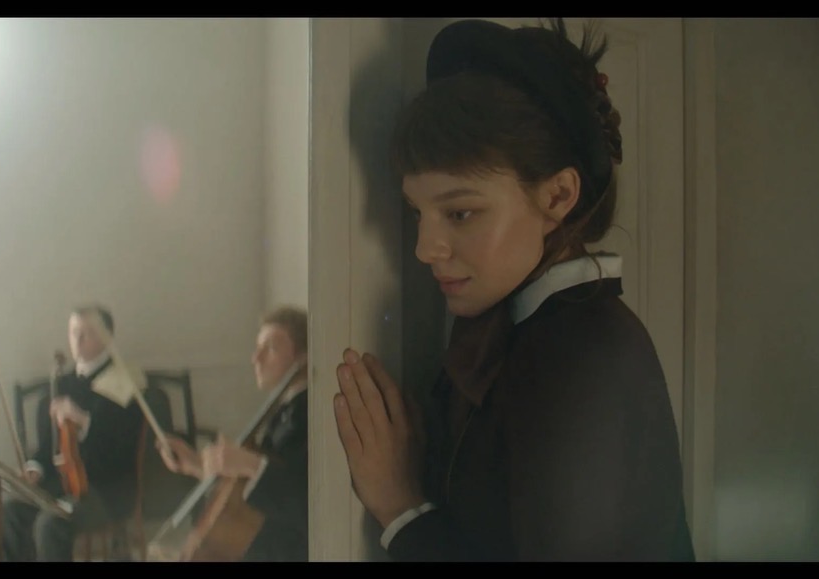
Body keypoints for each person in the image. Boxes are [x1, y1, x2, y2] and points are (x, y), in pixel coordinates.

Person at [332, 18, 696, 562]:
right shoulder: (533, 334)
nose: (425, 248)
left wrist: (400, 507)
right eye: (417, 213)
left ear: (558, 196)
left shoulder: (584, 354)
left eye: (460, 212)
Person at [157, 305, 309, 561]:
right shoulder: (286, 409)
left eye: (271, 348)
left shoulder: (307, 412)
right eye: (257, 347)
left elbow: (304, 499)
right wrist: (197, 465)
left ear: (302, 358)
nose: (256, 358)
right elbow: (251, 488)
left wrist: (250, 463)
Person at [2, 304, 147, 561]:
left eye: (86, 333)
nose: (77, 340)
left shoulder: (126, 381)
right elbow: (49, 445)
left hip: (107, 489)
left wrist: (83, 419)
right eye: (73, 332)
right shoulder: (61, 384)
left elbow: (121, 447)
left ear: (107, 337)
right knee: (12, 509)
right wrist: (36, 467)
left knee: (50, 524)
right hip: (61, 484)